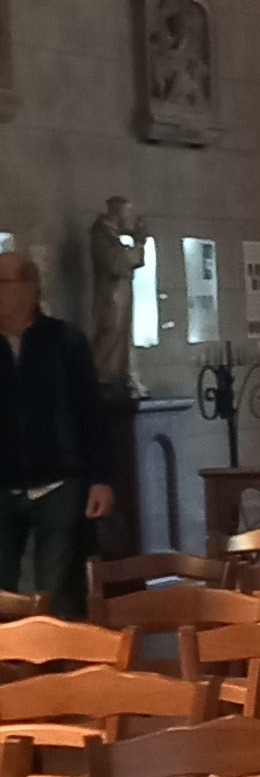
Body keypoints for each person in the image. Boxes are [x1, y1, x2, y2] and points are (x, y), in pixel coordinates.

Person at [0, 249, 116, 619]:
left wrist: (100, 479)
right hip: (3, 482)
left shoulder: (64, 340)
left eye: (3, 282)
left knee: (58, 587)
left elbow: (90, 412)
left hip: (59, 480)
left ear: (29, 288)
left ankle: (61, 653)